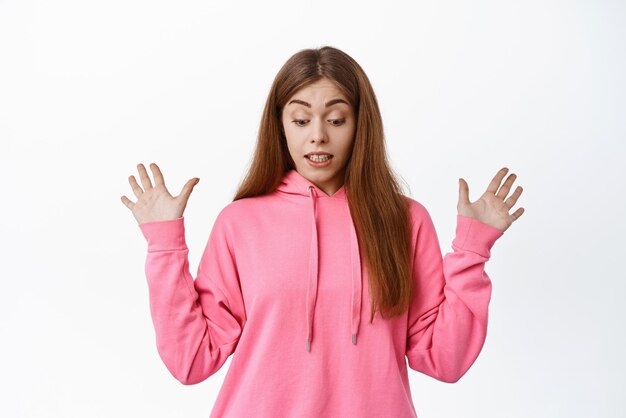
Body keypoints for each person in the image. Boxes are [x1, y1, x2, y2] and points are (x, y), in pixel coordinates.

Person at [120, 46, 525, 418]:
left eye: (336, 119)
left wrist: (472, 251)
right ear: (280, 126)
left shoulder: (404, 221)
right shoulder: (240, 223)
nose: (318, 135)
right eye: (300, 119)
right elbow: (192, 361)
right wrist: (164, 247)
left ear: (360, 125)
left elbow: (444, 360)